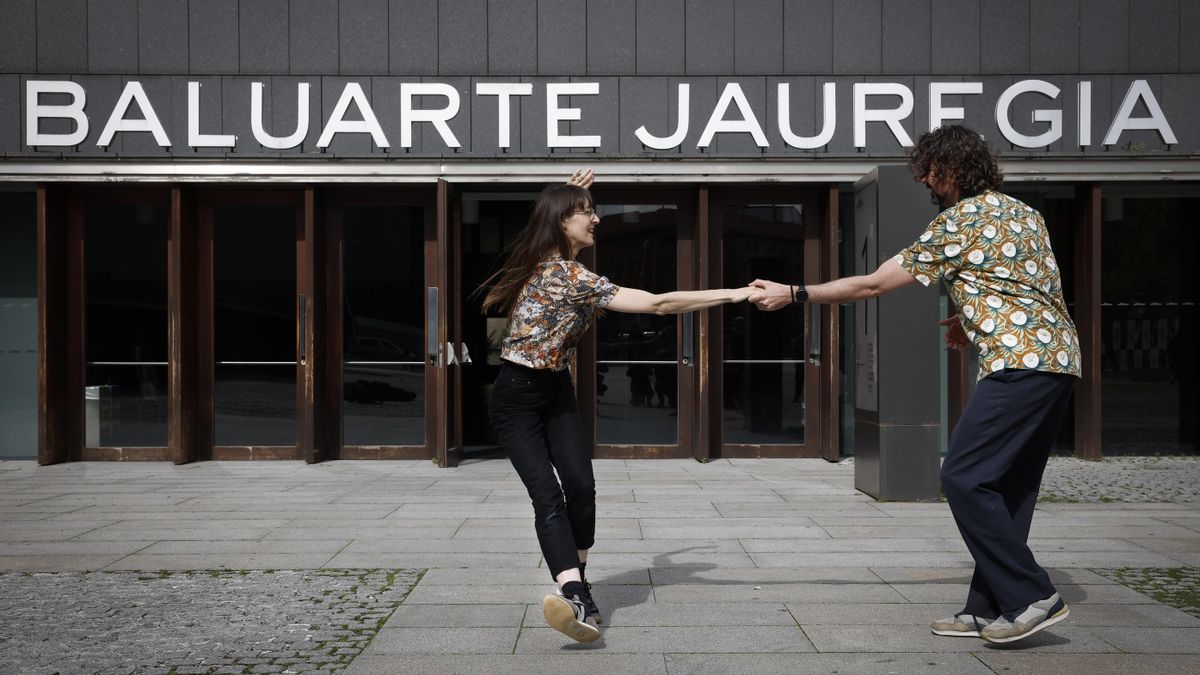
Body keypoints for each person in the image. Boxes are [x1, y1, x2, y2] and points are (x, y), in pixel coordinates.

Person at [749, 125, 1081, 645]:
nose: (925, 181)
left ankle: (1033, 595)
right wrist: (970, 319)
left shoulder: (957, 222)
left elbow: (873, 284)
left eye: (930, 171)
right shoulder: (1025, 213)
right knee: (1008, 487)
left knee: (964, 477)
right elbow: (1030, 286)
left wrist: (794, 293)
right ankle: (987, 607)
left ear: (953, 169)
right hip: (1058, 359)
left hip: (1018, 363)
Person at [479, 169, 759, 644]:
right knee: (548, 496)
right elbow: (659, 304)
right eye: (586, 213)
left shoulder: (562, 265)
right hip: (516, 397)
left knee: (582, 487)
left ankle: (577, 587)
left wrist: (572, 194)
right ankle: (574, 593)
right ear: (561, 221)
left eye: (593, 211)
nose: (596, 219)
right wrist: (735, 293)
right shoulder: (562, 274)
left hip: (556, 391)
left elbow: (548, 223)